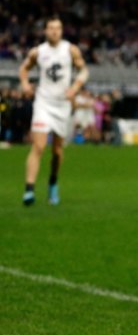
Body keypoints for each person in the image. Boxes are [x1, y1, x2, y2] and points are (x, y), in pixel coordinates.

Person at [18, 16, 89, 206]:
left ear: (62, 30)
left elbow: (84, 71)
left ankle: (53, 182)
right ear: (45, 31)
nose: (54, 31)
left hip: (62, 105)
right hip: (43, 102)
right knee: (39, 146)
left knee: (57, 151)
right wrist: (25, 84)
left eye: (58, 28)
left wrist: (75, 87)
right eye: (51, 28)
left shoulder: (70, 49)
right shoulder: (38, 52)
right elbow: (23, 69)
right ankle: (29, 189)